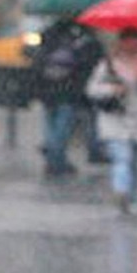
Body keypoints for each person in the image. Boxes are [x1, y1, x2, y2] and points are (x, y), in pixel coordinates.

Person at [85, 26, 137, 215]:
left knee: (133, 162)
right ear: (121, 42)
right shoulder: (108, 64)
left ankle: (131, 200)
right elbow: (92, 89)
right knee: (122, 158)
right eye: (127, 41)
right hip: (115, 119)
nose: (132, 45)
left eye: (135, 41)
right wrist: (112, 90)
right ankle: (121, 191)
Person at [31, 17, 108, 177]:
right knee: (62, 128)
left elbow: (36, 60)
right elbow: (91, 64)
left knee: (51, 126)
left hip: (47, 89)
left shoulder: (49, 36)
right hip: (69, 91)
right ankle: (56, 162)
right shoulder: (84, 39)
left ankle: (54, 159)